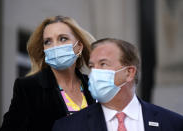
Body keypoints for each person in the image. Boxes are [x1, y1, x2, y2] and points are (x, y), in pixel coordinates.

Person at [52, 38, 183, 131]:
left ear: (129, 73)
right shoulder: (68, 127)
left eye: (103, 64)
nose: (94, 73)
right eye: (92, 66)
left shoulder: (173, 124)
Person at [0, 15, 96, 131]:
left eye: (63, 39)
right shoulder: (29, 88)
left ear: (79, 47)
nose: (55, 46)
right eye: (48, 41)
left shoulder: (94, 87)